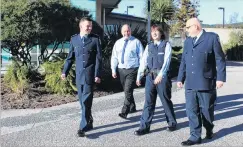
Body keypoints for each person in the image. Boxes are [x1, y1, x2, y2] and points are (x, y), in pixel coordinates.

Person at [177, 18, 226, 146]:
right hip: (191, 82)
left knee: (206, 110)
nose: (186, 30)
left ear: (196, 26)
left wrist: (220, 78)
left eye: (188, 27)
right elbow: (184, 61)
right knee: (191, 110)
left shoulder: (211, 38)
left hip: (206, 81)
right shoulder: (188, 41)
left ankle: (209, 128)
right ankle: (195, 136)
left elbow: (220, 59)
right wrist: (180, 78)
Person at [61, 17, 102, 137]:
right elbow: (70, 58)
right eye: (87, 26)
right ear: (81, 27)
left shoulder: (95, 39)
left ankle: (82, 127)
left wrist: (97, 74)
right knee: (82, 101)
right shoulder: (74, 40)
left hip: (90, 75)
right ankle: (89, 121)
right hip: (79, 76)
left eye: (90, 26)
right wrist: (65, 72)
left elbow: (98, 59)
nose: (89, 28)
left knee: (86, 100)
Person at [134, 24, 177, 136]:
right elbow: (143, 61)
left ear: (161, 33)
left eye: (157, 31)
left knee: (165, 100)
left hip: (162, 77)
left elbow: (167, 61)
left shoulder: (166, 45)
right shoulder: (149, 46)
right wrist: (139, 76)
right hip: (150, 77)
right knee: (148, 103)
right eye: (152, 31)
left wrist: (161, 75)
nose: (154, 33)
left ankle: (172, 123)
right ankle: (144, 127)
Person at [111, 24, 144, 119]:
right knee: (127, 90)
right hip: (121, 69)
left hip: (133, 69)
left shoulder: (136, 42)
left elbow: (142, 57)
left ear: (131, 31)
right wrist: (113, 69)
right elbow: (114, 57)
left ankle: (125, 111)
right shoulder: (118, 43)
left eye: (128, 31)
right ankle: (132, 106)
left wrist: (140, 72)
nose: (126, 33)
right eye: (124, 31)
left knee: (128, 89)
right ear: (122, 32)